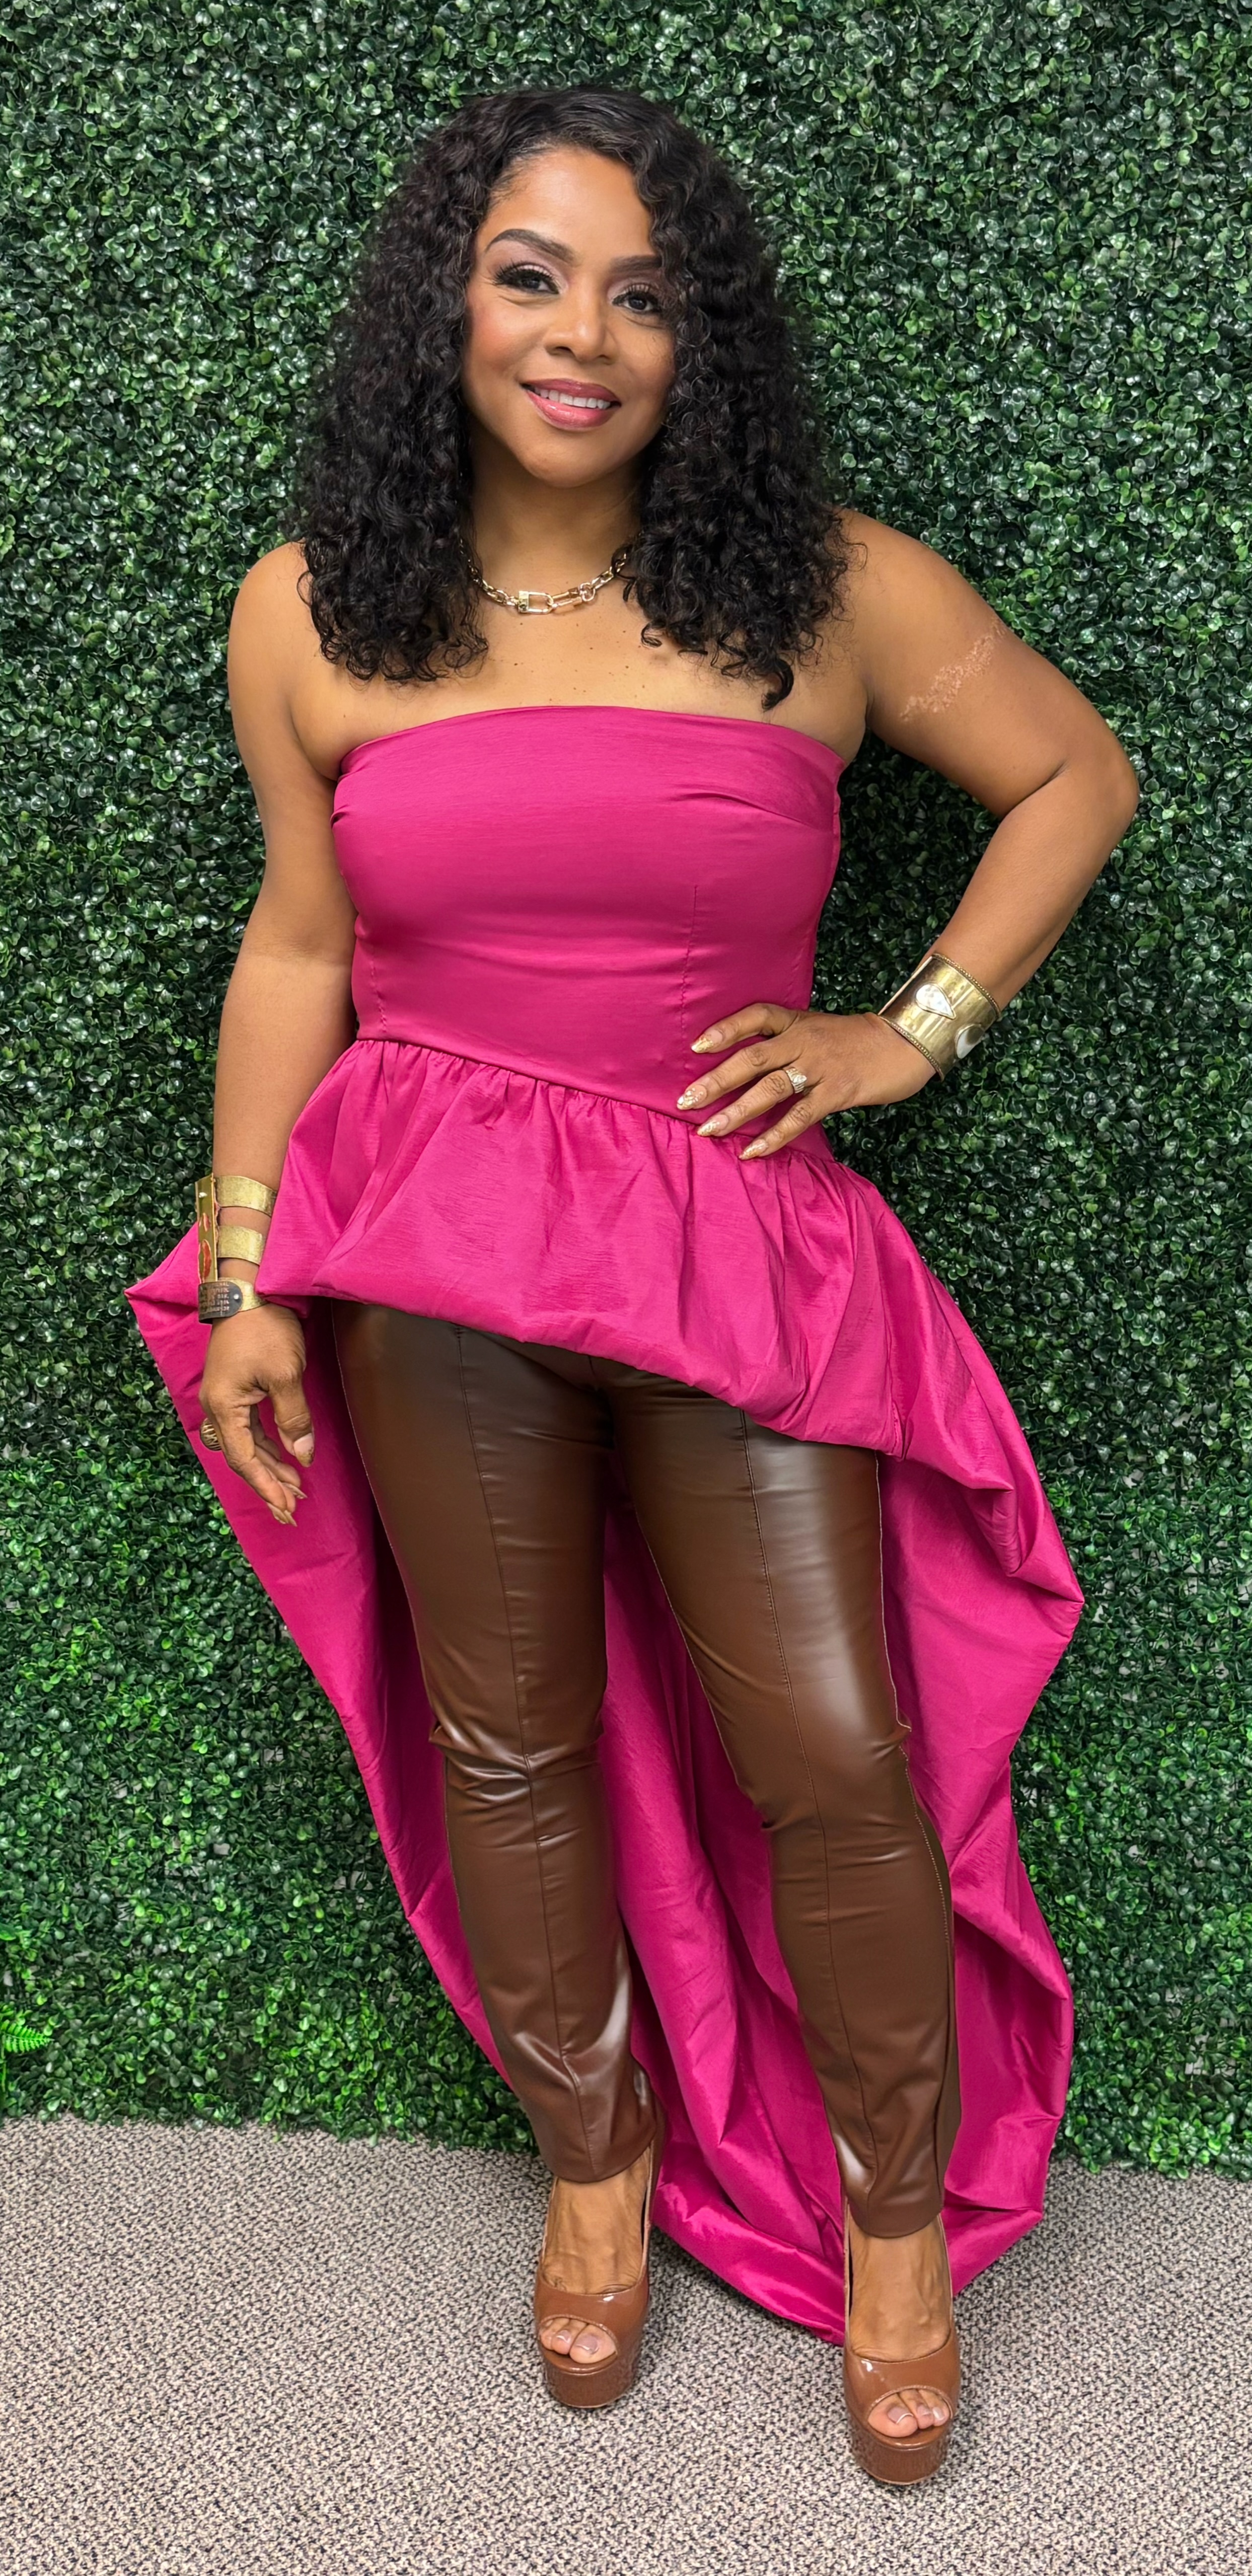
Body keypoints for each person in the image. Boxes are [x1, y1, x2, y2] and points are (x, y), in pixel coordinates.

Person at [130, 86, 1137, 2483]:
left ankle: (892, 2216)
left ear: (705, 344)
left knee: (837, 1750)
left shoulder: (827, 590)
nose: (580, 334)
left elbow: (1071, 777)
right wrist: (251, 1265)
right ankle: (594, 2169)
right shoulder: (312, 606)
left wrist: (903, 1031)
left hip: (728, 1240)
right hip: (428, 1247)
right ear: (446, 304)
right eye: (529, 275)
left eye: (643, 294)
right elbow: (299, 947)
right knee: (508, 1733)